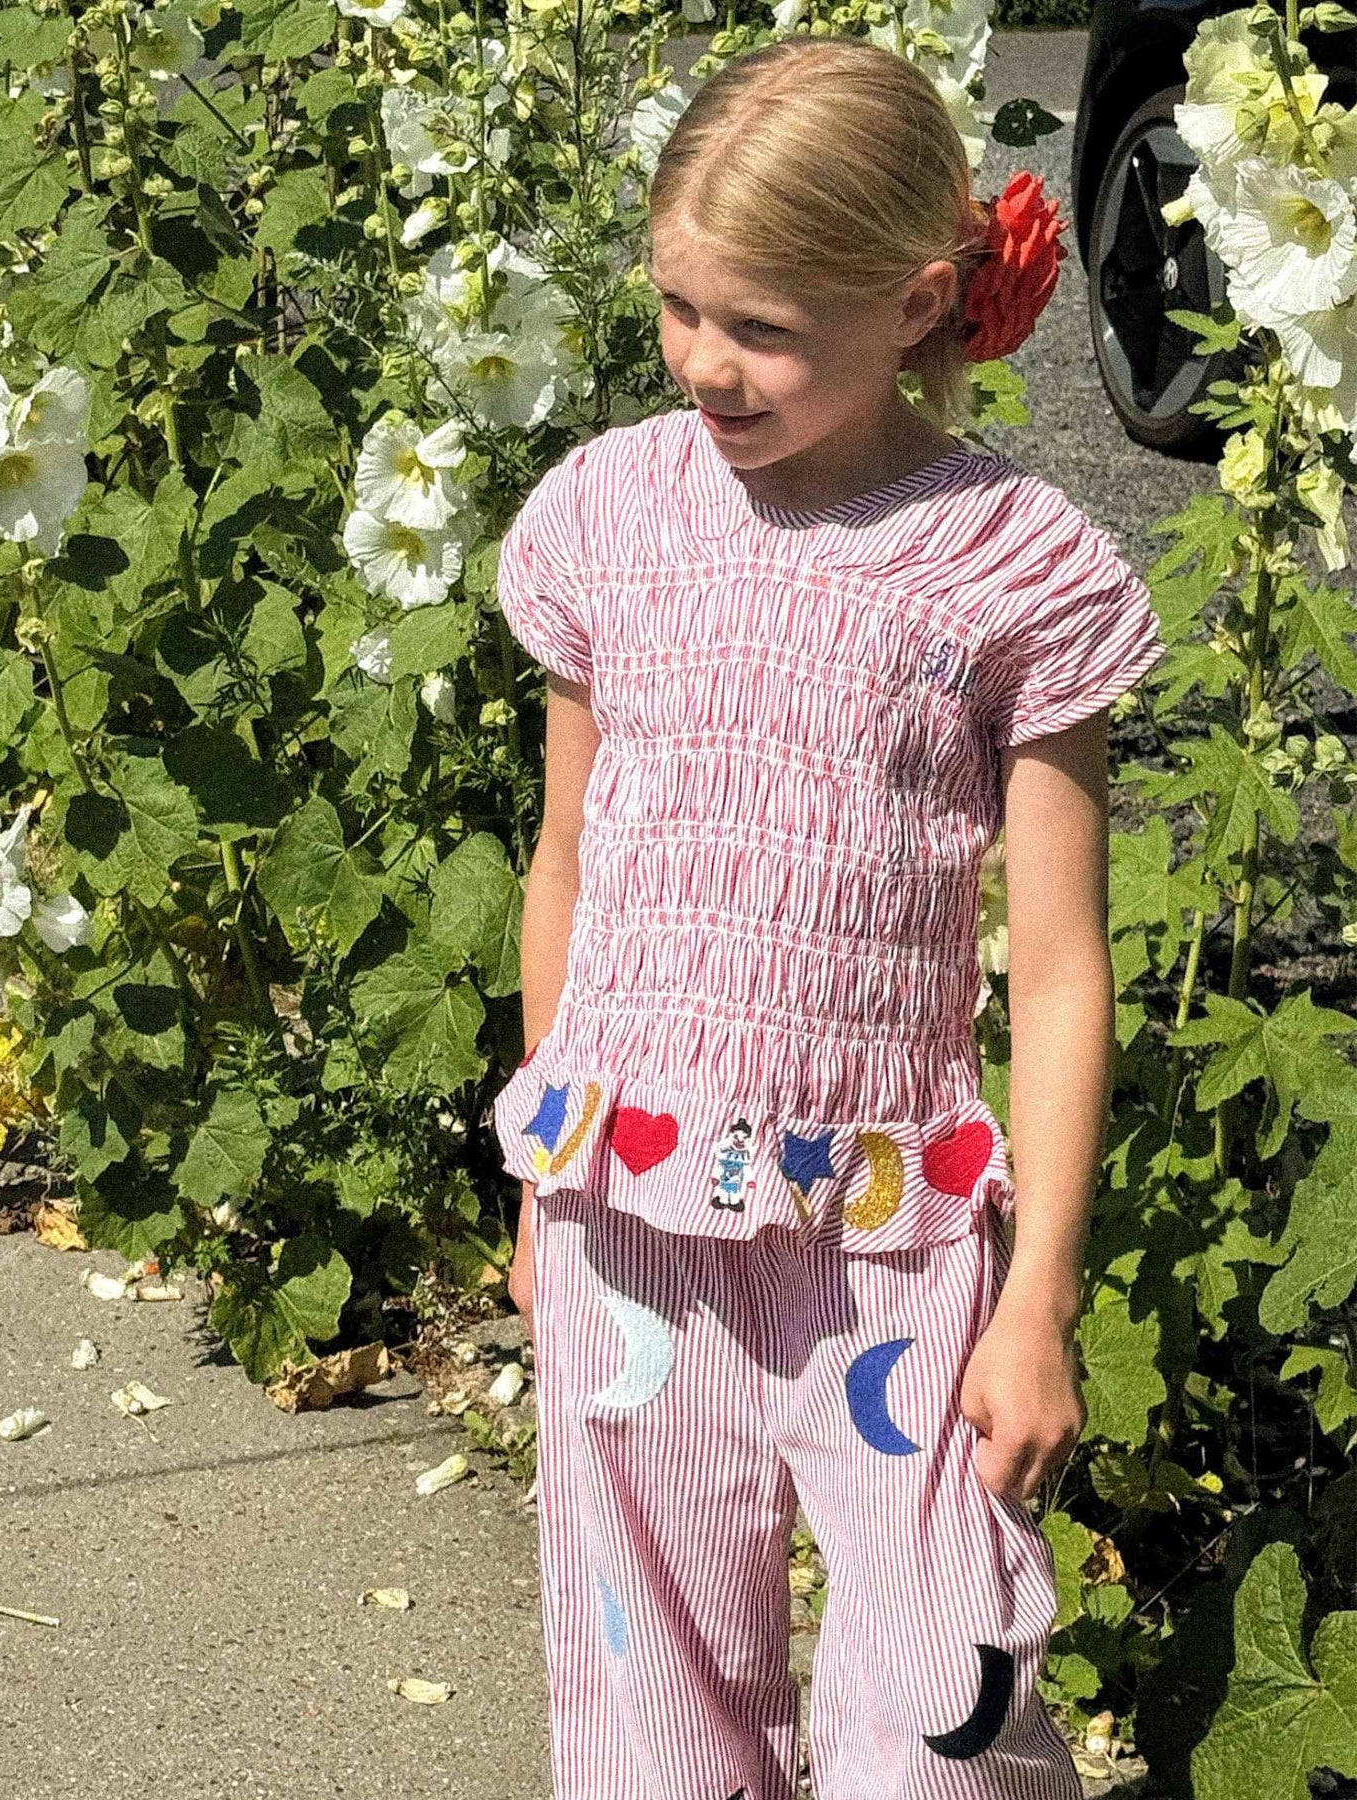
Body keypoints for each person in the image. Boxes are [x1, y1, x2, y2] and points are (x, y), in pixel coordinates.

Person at [489, 34, 1164, 1800]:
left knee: (947, 1700)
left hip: (891, 1233)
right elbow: (566, 861)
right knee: (649, 1709)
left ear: (917, 303)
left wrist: (1037, 1295)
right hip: (627, 1214)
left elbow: (1061, 965)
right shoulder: (607, 516)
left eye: (763, 328)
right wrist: (544, 1179)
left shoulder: (1010, 566)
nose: (705, 363)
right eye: (678, 308)